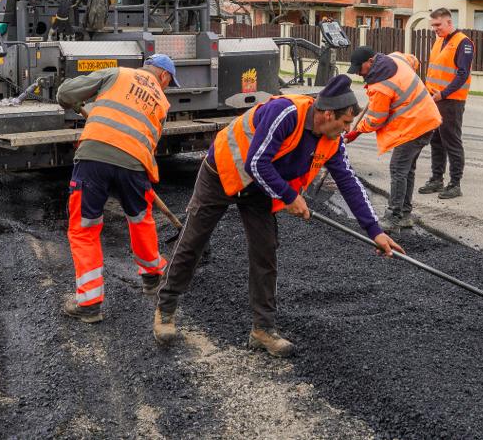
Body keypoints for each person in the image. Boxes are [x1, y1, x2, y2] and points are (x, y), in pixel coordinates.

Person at [152, 75, 403, 356]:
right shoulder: (285, 113)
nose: (346, 130)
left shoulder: (332, 140)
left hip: (260, 186)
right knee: (193, 241)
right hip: (223, 172)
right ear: (328, 113)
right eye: (345, 123)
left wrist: (375, 231)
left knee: (265, 251)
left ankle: (262, 329)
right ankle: (166, 310)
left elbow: (348, 181)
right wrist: (289, 196)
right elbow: (256, 162)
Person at [56, 54, 179, 323]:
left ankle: (89, 305)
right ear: (164, 76)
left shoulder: (117, 74)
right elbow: (151, 143)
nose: (168, 88)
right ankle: (152, 278)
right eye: (170, 83)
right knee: (140, 218)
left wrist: (76, 103)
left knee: (85, 229)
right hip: (135, 163)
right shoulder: (162, 101)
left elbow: (64, 93)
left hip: (94, 158)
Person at [345, 46, 442, 231]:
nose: (358, 73)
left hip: (413, 127)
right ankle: (405, 214)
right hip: (427, 120)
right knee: (407, 170)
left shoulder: (380, 87)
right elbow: (414, 60)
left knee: (398, 169)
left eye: (360, 68)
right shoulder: (396, 58)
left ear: (371, 62)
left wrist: (355, 132)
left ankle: (393, 216)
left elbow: (375, 120)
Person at [418, 7, 474, 199]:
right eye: (433, 25)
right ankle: (436, 179)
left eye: (438, 25)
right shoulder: (439, 40)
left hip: (451, 101)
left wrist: (444, 93)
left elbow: (462, 74)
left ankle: (455, 183)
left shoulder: (463, 43)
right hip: (434, 99)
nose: (435, 28)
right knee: (436, 140)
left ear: (449, 23)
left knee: (452, 141)